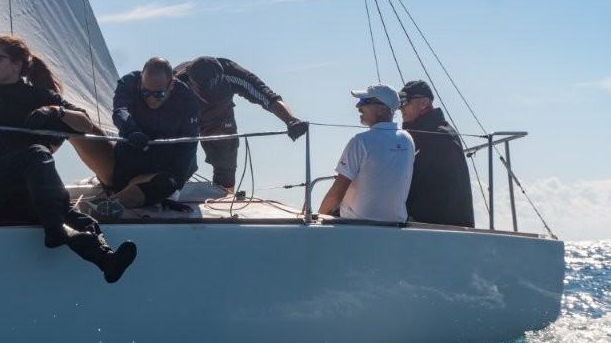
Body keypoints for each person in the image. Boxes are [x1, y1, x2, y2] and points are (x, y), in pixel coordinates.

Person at [0, 35, 137, 283]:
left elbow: (84, 123)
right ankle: (55, 231)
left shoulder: (40, 97)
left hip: (19, 193)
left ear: (17, 64)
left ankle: (107, 261)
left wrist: (56, 111)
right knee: (37, 154)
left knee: (76, 216)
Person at [71, 57, 201, 211]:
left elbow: (188, 148)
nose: (151, 99)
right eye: (145, 92)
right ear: (140, 81)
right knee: (69, 120)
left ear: (171, 85)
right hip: (121, 168)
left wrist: (172, 192)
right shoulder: (129, 83)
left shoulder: (187, 100)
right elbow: (120, 111)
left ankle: (104, 205)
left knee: (168, 183)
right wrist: (131, 130)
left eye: (159, 94)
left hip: (153, 175)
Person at [174, 56, 307, 192]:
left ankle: (226, 198)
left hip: (219, 117)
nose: (208, 98)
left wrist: (290, 120)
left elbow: (267, 96)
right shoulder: (175, 82)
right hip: (183, 117)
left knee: (226, 166)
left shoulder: (234, 74)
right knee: (181, 164)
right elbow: (159, 106)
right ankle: (170, 193)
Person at [318, 84, 414, 222]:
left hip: (357, 227)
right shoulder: (407, 140)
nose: (358, 106)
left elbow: (336, 194)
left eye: (364, 101)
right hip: (395, 226)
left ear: (382, 109)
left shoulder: (361, 141)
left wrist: (318, 219)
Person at [398, 80, 475, 227]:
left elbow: (430, 188)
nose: (401, 108)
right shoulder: (425, 134)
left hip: (441, 229)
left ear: (424, 103)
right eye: (399, 103)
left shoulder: (440, 136)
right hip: (428, 228)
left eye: (405, 101)